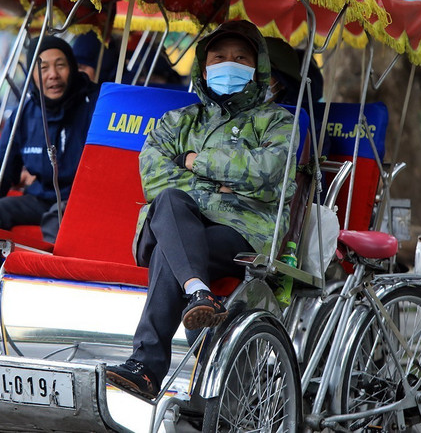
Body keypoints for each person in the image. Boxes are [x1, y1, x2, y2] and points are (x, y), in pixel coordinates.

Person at [105, 20, 298, 399]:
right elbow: (155, 178)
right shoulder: (178, 121)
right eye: (219, 57)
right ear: (203, 67)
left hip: (241, 232)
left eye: (241, 58)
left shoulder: (277, 122)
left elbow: (268, 171)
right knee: (169, 203)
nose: (229, 64)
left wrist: (195, 161)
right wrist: (223, 181)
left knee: (170, 246)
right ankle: (199, 294)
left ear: (257, 67)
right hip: (178, 219)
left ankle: (146, 367)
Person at [0, 35, 99, 315]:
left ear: (73, 68)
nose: (53, 75)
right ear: (32, 75)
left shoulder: (94, 105)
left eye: (60, 65)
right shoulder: (24, 113)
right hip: (39, 199)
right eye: (43, 68)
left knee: (57, 223)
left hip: (80, 202)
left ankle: (50, 307)